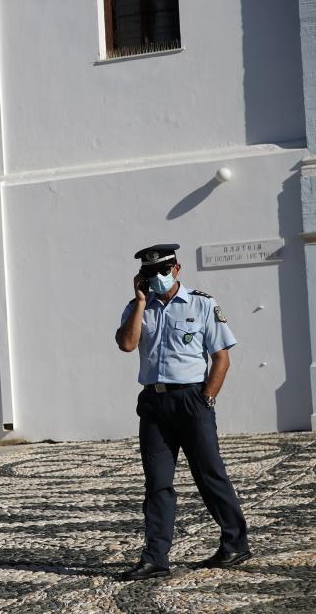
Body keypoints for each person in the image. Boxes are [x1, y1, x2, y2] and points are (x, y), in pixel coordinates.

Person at [114, 244, 251, 581]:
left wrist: (207, 399)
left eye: (162, 271)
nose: (157, 278)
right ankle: (155, 557)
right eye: (150, 274)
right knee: (158, 483)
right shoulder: (136, 308)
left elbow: (221, 357)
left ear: (177, 269)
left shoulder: (202, 304)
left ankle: (235, 543)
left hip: (191, 400)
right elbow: (127, 344)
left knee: (209, 473)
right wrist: (142, 302)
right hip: (154, 404)